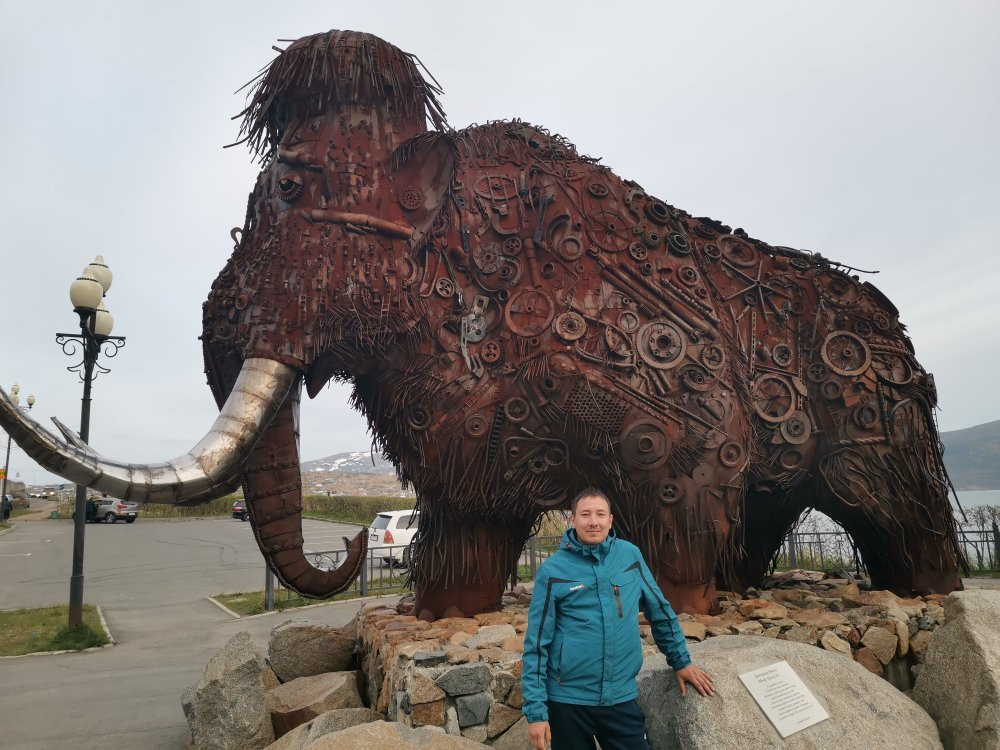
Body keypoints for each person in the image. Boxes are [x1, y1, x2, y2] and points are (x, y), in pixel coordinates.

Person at [522, 488, 715, 749]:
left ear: (610, 520)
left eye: (600, 514)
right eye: (585, 514)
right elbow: (536, 645)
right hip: (567, 701)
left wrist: (681, 661)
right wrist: (536, 713)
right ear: (573, 520)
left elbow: (660, 611)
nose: (593, 521)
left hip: (620, 697)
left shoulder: (629, 556)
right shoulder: (553, 571)